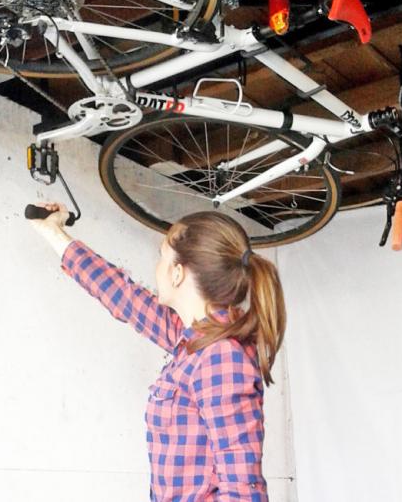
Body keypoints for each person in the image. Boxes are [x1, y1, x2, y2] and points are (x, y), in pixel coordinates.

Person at [31, 202, 287, 501]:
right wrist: (53, 232)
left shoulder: (220, 356)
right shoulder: (193, 341)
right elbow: (124, 296)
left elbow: (243, 491)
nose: (157, 268)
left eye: (161, 257)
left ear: (177, 273)